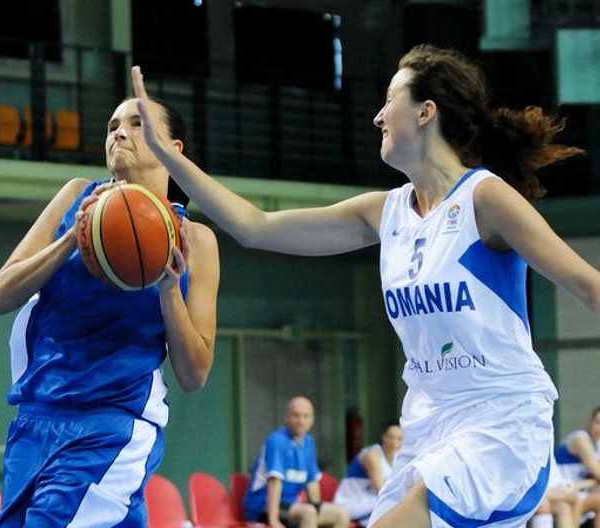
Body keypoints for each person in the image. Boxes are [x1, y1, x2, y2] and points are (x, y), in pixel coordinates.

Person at [132, 40, 599, 527]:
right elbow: (255, 226)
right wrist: (170, 160)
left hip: (501, 422)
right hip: (428, 425)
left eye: (390, 100)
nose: (377, 116)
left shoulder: (485, 199)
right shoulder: (386, 212)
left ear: (425, 112)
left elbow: (588, 286)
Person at [0, 94, 220, 526]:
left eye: (136, 124)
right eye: (112, 126)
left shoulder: (195, 239)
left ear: (173, 150)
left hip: (113, 424)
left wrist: (169, 290)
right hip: (36, 419)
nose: (119, 133)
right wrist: (73, 239)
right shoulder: (77, 195)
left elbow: (194, 375)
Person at [243, 396, 351, 528]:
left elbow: (312, 482)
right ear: (287, 417)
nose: (301, 421)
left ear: (312, 420)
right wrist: (273, 520)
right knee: (308, 514)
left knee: (341, 513)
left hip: (292, 505)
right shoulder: (277, 440)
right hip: (263, 506)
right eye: (296, 415)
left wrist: (317, 507)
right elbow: (274, 482)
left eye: (306, 416)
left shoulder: (309, 442)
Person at [334, 422, 404, 526]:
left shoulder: (397, 457)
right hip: (352, 502)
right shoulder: (372, 455)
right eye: (391, 437)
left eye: (399, 439)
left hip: (369, 501)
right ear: (383, 437)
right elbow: (381, 491)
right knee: (394, 508)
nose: (394, 442)